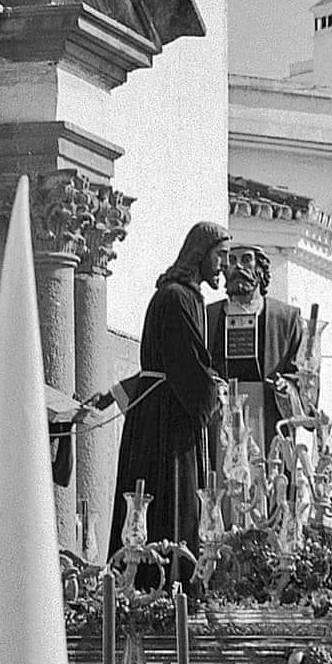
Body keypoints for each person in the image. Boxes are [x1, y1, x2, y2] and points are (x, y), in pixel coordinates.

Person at [107, 222, 229, 567]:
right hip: (166, 422)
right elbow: (186, 366)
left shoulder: (182, 296)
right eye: (220, 255)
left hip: (165, 410)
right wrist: (215, 393)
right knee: (171, 504)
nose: (223, 264)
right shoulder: (177, 298)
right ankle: (167, 585)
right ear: (200, 253)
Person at [207, 245, 303, 457]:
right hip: (221, 421)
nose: (238, 266)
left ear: (260, 269)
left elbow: (302, 377)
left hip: (267, 420)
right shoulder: (208, 317)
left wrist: (286, 387)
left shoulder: (286, 319)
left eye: (246, 259)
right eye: (232, 260)